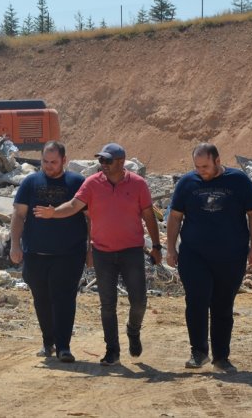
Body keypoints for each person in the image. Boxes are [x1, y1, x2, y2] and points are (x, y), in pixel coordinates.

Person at [34, 143, 161, 366]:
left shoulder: (138, 185)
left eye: (107, 161)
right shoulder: (92, 183)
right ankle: (112, 350)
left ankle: (133, 330)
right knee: (107, 304)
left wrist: (157, 246)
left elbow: (149, 216)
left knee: (139, 301)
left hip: (131, 251)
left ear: (121, 162)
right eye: (100, 160)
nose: (102, 164)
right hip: (103, 252)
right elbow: (74, 205)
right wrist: (54, 213)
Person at [166, 143, 252, 374]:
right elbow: (175, 217)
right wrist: (171, 248)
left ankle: (221, 357)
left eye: (206, 166)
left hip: (231, 256)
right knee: (196, 301)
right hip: (194, 255)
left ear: (218, 161)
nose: (201, 171)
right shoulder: (187, 183)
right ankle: (198, 352)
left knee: (222, 305)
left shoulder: (239, 181)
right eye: (197, 166)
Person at [10, 140, 88, 363]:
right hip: (36, 254)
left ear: (64, 160)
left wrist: (91, 248)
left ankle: (64, 346)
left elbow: (89, 217)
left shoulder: (77, 182)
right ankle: (48, 342)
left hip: (69, 255)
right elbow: (18, 215)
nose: (49, 166)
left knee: (64, 299)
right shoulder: (30, 183)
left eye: (54, 162)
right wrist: (15, 245)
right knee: (41, 299)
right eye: (45, 161)